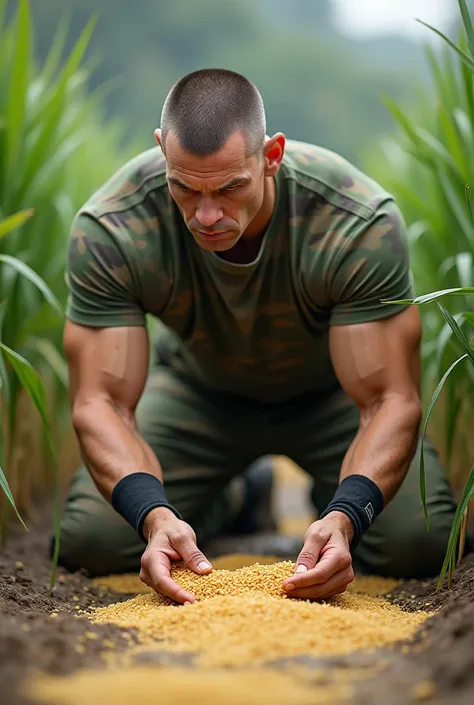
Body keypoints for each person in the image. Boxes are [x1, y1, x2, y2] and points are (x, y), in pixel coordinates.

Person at [57, 68, 461, 605]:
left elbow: (390, 397)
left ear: (271, 156)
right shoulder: (112, 229)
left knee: (420, 541)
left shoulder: (355, 221)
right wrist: (153, 516)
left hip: (331, 400)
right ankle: (237, 495)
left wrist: (346, 515)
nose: (206, 215)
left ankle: (328, 498)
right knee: (93, 539)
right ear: (161, 152)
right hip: (199, 397)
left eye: (229, 188)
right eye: (184, 187)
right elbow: (100, 401)